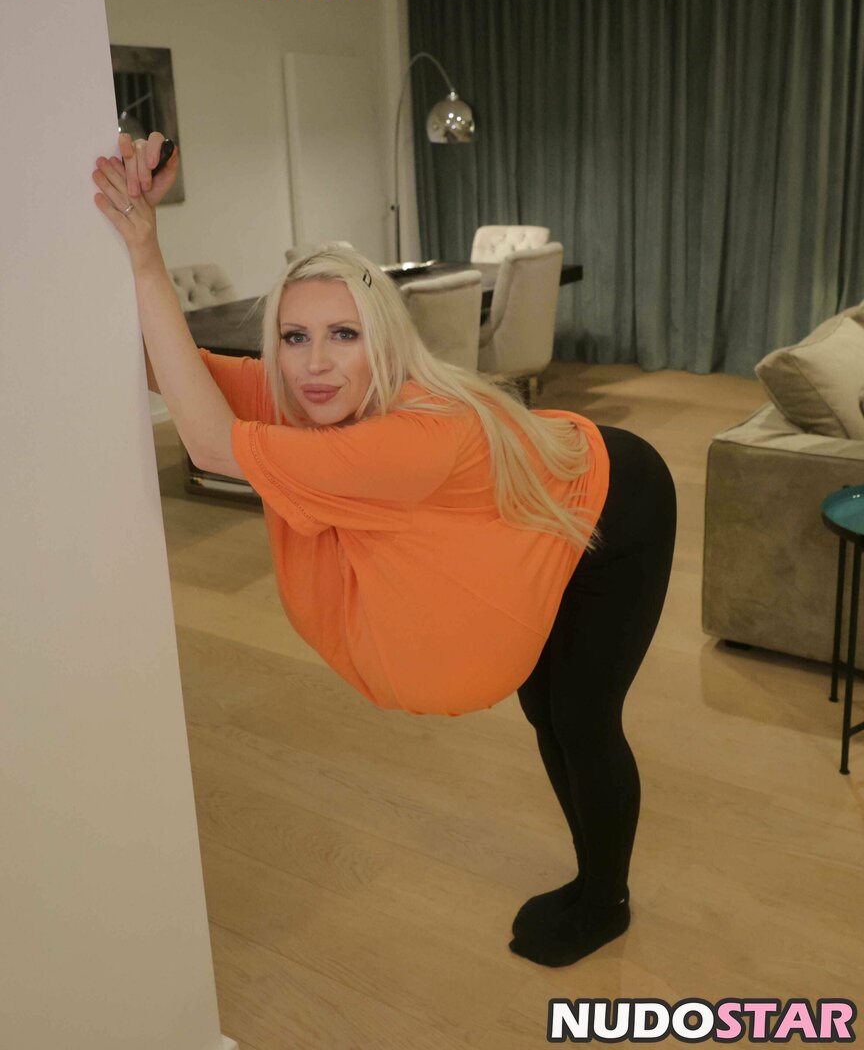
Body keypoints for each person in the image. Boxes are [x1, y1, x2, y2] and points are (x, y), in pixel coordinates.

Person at [92, 133, 676, 968]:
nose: (315, 366)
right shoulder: (316, 394)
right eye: (293, 337)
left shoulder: (407, 439)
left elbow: (213, 445)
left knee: (578, 716)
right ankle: (593, 880)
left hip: (619, 504)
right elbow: (170, 369)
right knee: (544, 707)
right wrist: (93, 248)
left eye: (343, 335)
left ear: (385, 341)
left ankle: (605, 898)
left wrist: (148, 256)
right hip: (548, 488)